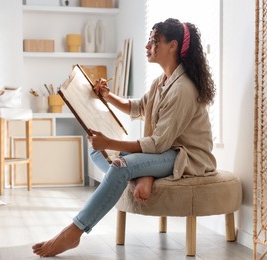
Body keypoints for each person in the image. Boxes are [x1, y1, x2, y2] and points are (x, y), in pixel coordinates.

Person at [32, 17, 217, 257]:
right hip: (165, 151)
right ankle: (143, 176)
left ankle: (74, 232)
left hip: (185, 155)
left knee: (119, 165)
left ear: (172, 45)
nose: (148, 45)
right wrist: (107, 96)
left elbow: (158, 143)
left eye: (154, 41)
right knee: (96, 151)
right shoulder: (161, 82)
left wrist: (109, 142)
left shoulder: (183, 89)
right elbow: (139, 107)